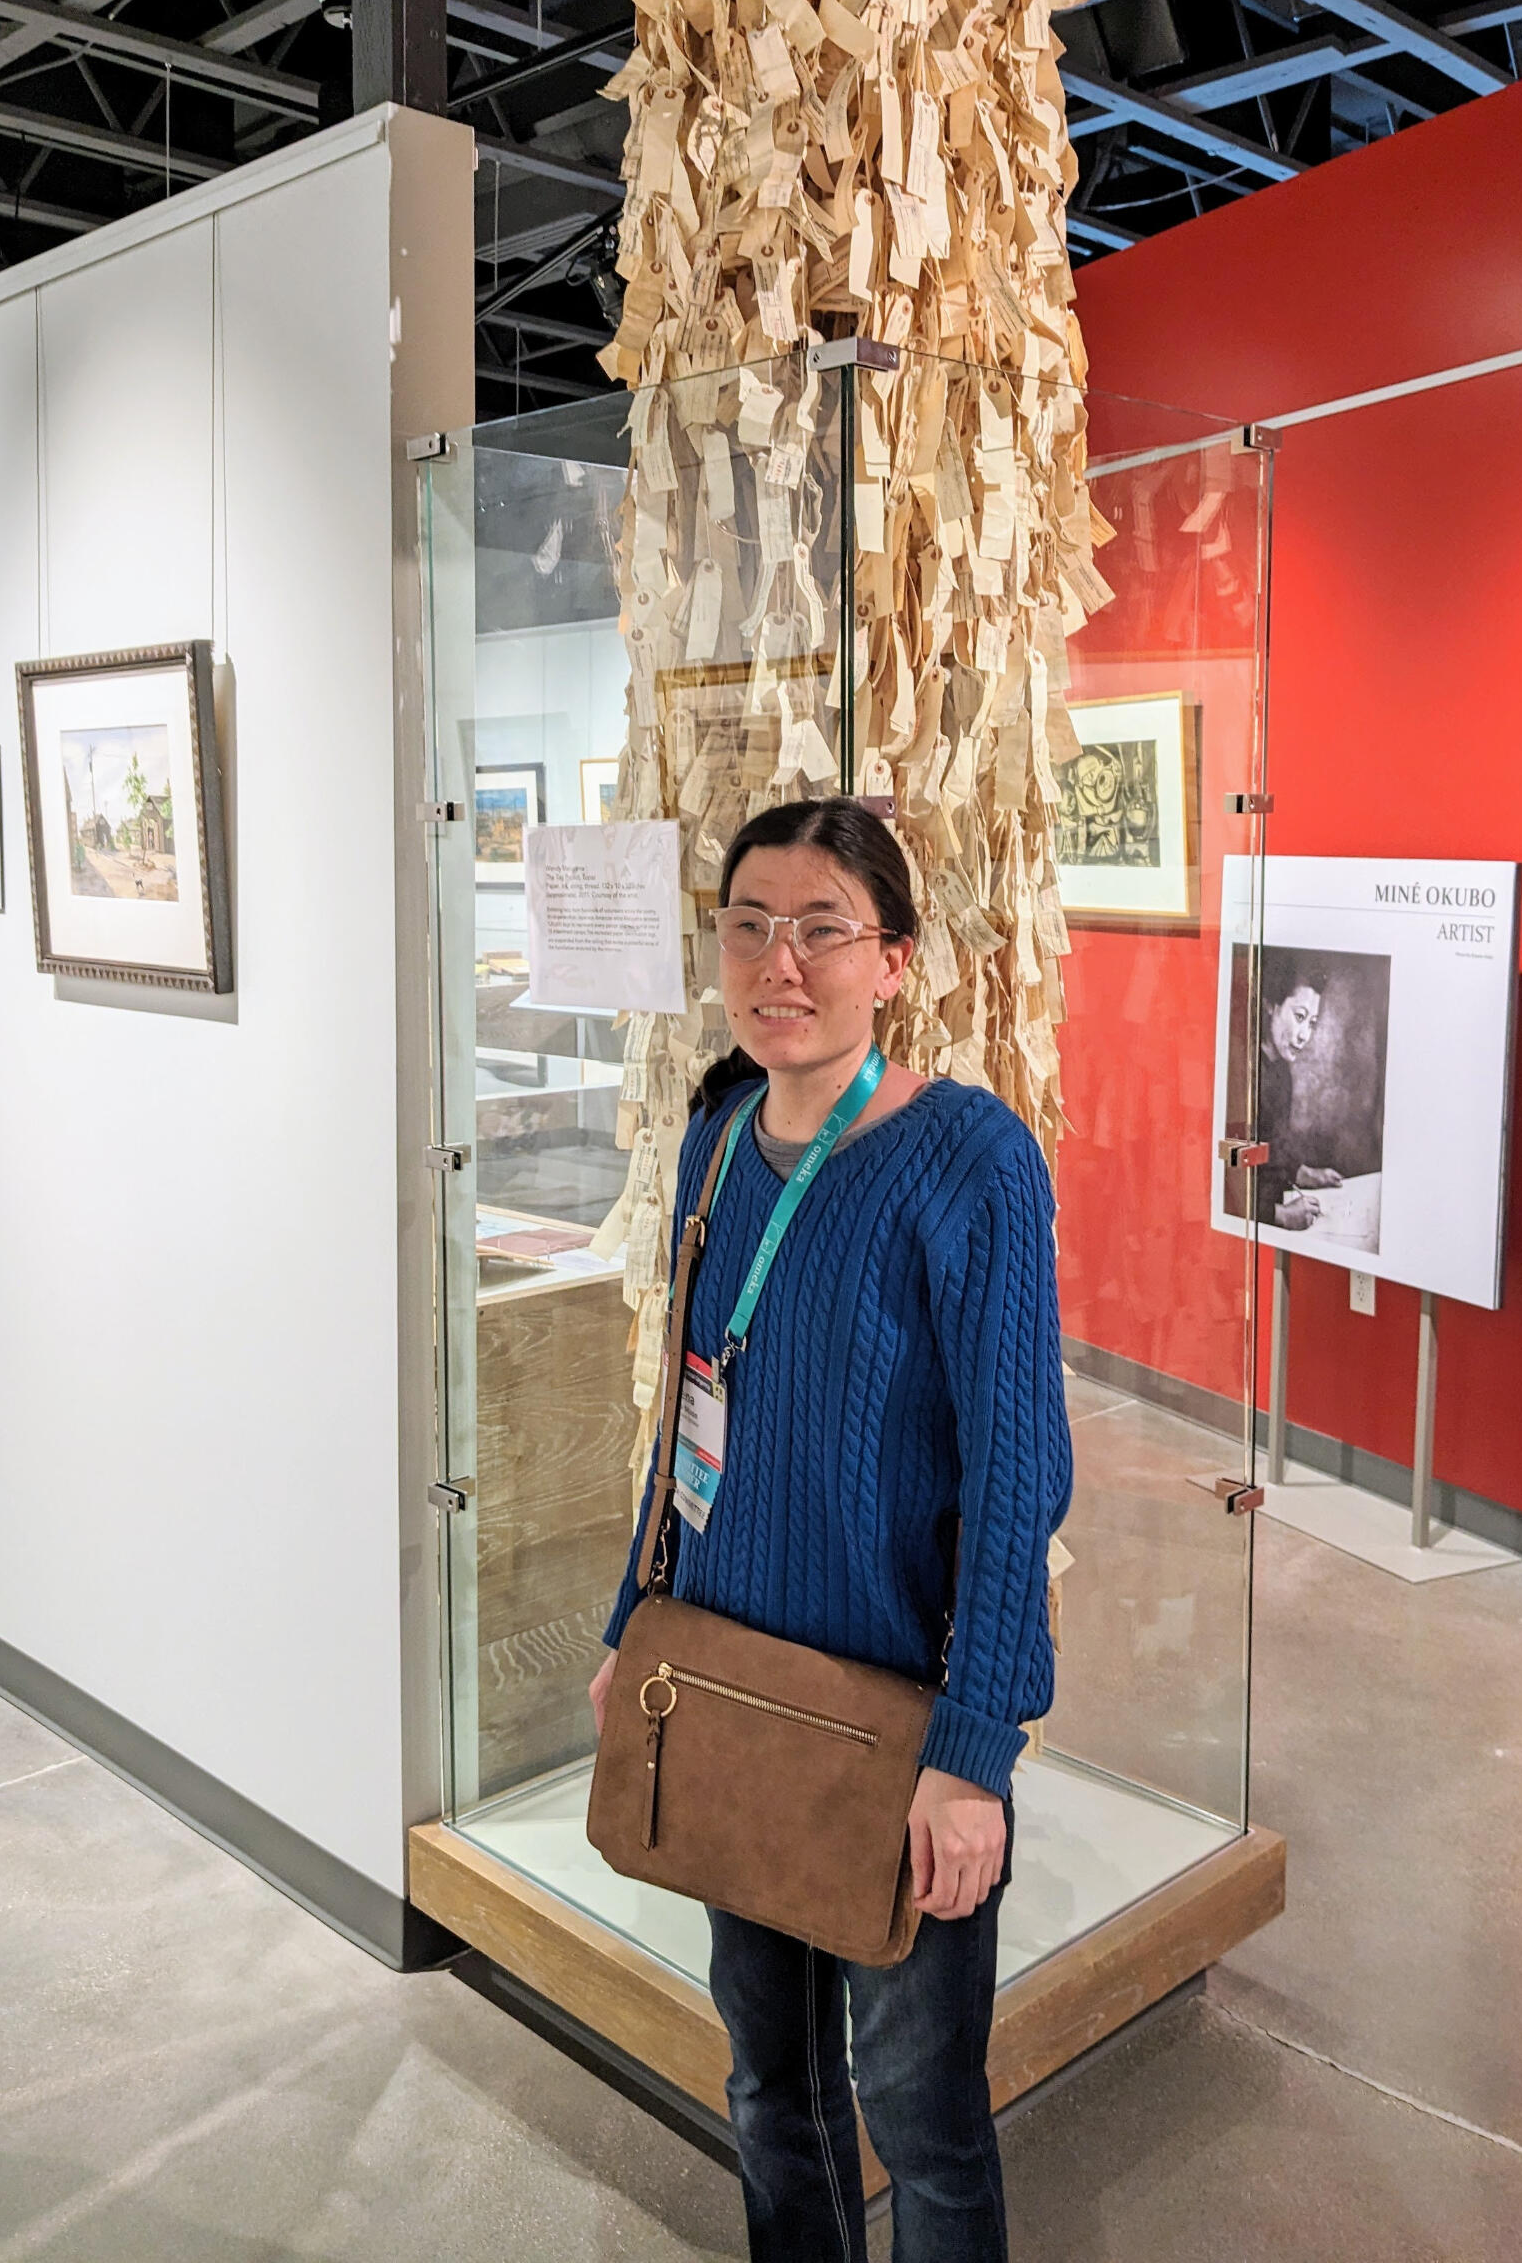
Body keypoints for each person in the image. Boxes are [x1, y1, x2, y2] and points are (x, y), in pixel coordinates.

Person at [589, 796, 1072, 2263]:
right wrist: (633, 1627)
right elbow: (689, 1414)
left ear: (894, 961)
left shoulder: (971, 1160)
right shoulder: (717, 1140)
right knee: (769, 2085)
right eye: (748, 925)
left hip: (896, 1730)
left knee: (922, 2117)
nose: (777, 962)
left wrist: (973, 1755)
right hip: (735, 1695)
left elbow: (1016, 1478)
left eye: (820, 929)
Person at [1256, 967, 1345, 1230]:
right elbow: (1224, 1182)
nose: (1305, 1035)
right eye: (1299, 1017)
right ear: (1270, 1006)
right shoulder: (1243, 1071)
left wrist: (1304, 1174)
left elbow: (1273, 1150)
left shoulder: (1282, 1072)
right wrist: (1279, 1215)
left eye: (1312, 1023)